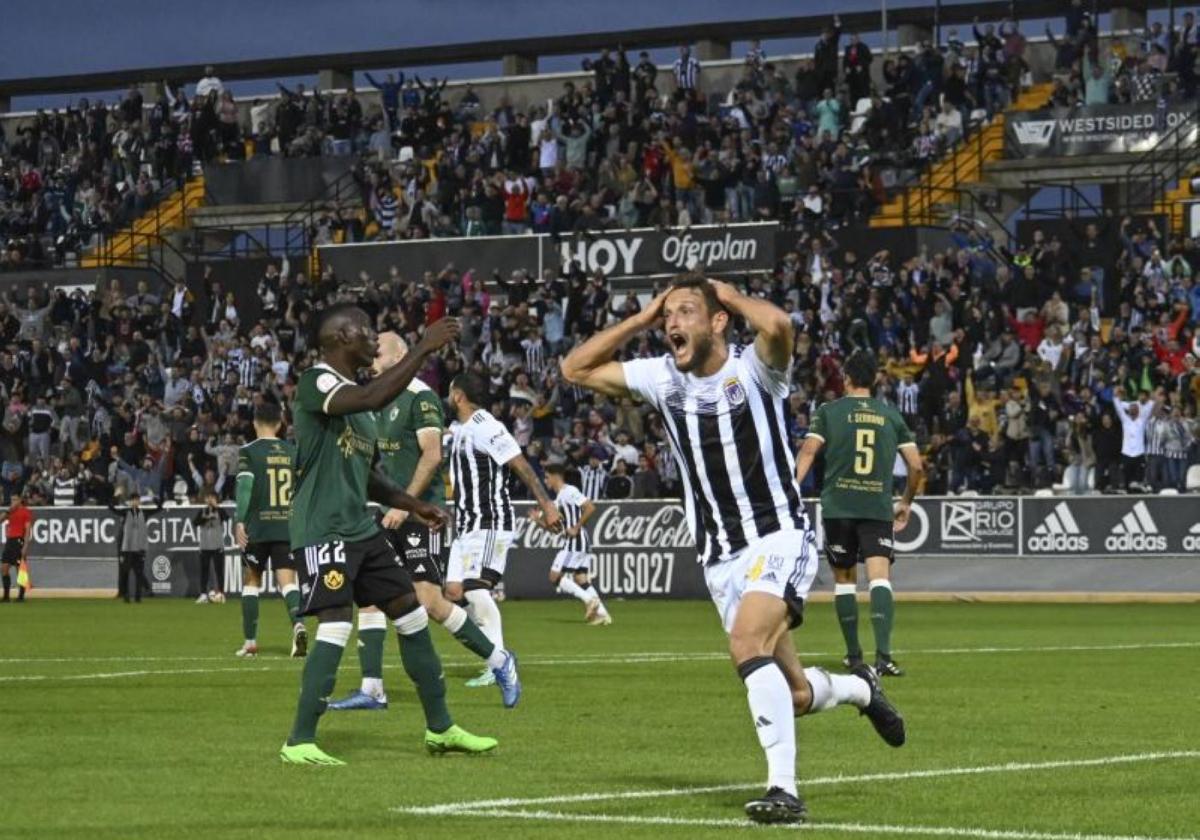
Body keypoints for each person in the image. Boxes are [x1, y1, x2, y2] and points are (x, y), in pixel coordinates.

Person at [561, 276, 904, 825]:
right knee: (791, 695)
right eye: (669, 316)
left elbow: (779, 325)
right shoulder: (661, 378)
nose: (674, 323)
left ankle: (784, 791)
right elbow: (573, 369)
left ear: (718, 321)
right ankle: (859, 688)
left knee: (747, 642)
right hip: (720, 559)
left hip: (778, 536)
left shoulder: (755, 369)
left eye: (687, 312)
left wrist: (725, 293)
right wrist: (642, 317)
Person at [280, 306, 501, 766]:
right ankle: (299, 740)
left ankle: (441, 729)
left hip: (359, 526)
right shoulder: (316, 381)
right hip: (324, 528)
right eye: (365, 332)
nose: (374, 341)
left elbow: (368, 476)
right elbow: (370, 398)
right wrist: (421, 347)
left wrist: (413, 504)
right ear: (341, 337)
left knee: (412, 614)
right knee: (338, 624)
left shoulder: (361, 409)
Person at [329, 333, 520, 711]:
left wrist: (407, 504)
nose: (372, 356)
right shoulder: (379, 398)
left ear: (401, 354)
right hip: (385, 514)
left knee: (430, 601)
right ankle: (372, 690)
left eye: (378, 350)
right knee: (368, 597)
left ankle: (501, 661)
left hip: (418, 514)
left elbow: (432, 456)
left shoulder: (421, 396)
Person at [793, 349, 924, 677]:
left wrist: (791, 489)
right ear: (877, 379)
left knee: (845, 581)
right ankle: (884, 657)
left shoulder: (829, 411)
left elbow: (809, 450)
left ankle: (854, 656)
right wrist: (906, 500)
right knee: (880, 578)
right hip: (876, 507)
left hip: (838, 507)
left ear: (847, 379)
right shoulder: (890, 414)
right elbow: (917, 465)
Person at [445, 371, 562, 689]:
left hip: (489, 520)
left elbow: (521, 466)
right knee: (452, 593)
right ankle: (494, 653)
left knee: (476, 589)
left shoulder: (487, 427)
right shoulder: (462, 430)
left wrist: (548, 505)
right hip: (467, 524)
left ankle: (497, 661)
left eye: (450, 392)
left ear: (459, 396)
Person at [234, 402, 307, 658]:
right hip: (287, 525)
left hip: (258, 526)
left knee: (252, 581)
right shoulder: (293, 451)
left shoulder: (249, 452)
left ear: (254, 422)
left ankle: (250, 643)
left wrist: (239, 520)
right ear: (279, 424)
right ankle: (298, 625)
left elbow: (245, 488)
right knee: (288, 582)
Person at [529, 462, 610, 625]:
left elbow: (590, 507)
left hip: (576, 540)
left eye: (546, 477)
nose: (546, 481)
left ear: (555, 476)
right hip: (577, 540)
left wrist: (576, 527)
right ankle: (603, 614)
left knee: (554, 576)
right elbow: (557, 530)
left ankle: (590, 601)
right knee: (581, 579)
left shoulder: (569, 491)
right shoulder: (560, 498)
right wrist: (538, 521)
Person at [109, 494, 164, 604]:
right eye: (133, 500)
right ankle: (126, 596)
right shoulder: (125, 512)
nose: (135, 502)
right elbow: (112, 508)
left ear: (139, 502)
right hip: (127, 549)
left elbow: (159, 508)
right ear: (130, 502)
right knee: (126, 573)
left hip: (139, 549)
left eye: (137, 500)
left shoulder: (144, 513)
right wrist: (115, 498)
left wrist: (155, 499)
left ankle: (138, 597)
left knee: (139, 574)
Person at [193, 492, 227, 605]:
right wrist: (206, 518)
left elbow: (226, 517)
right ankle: (203, 594)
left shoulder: (219, 511)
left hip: (218, 545)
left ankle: (221, 593)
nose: (210, 500)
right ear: (206, 499)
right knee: (204, 571)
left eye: (212, 498)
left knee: (219, 571)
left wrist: (216, 507)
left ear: (216, 499)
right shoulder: (202, 511)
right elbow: (195, 523)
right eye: (209, 498)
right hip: (205, 546)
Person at [0, 494, 33, 603]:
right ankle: (6, 596)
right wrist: (9, 510)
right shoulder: (10, 512)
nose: (12, 501)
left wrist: (25, 546)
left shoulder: (25, 512)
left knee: (20, 569)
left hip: (19, 541)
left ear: (20, 500)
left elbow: (28, 530)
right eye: (11, 499)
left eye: (14, 499)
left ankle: (21, 596)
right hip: (9, 541)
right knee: (4, 568)